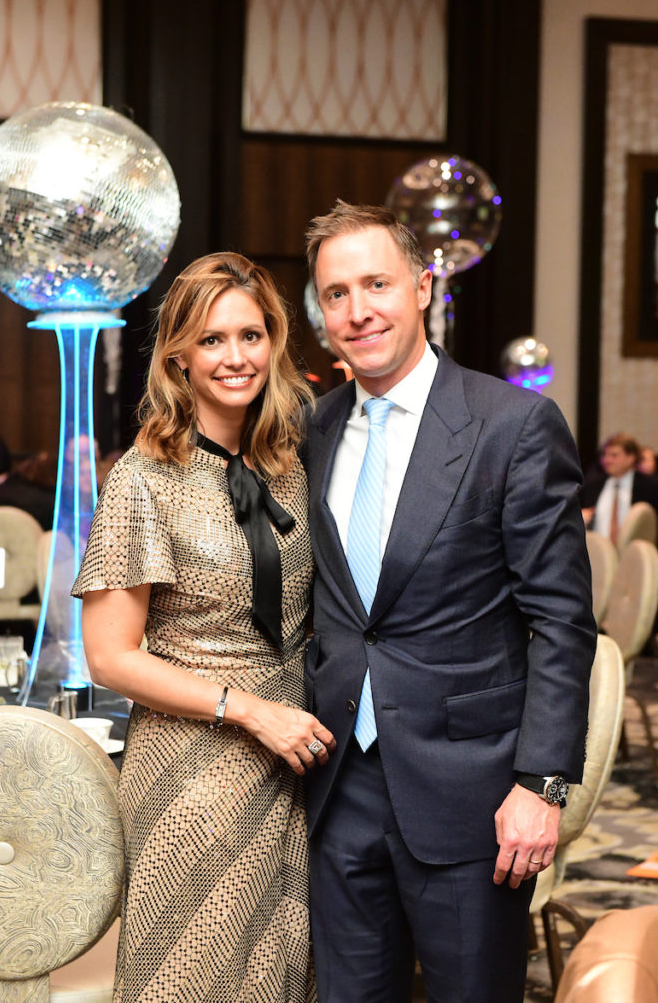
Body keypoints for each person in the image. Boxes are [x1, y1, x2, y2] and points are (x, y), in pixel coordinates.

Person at [302, 201, 596, 1003]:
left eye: (376, 284)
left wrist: (540, 785)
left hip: (473, 795)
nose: (357, 311)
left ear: (423, 286)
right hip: (338, 787)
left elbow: (560, 622)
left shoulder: (513, 426)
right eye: (335, 294)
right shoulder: (312, 429)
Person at [72, 252, 335, 1003]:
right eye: (212, 340)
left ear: (275, 342)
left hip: (292, 762)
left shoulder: (293, 463)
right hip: (194, 765)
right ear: (177, 355)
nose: (234, 357)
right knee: (189, 977)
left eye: (250, 335)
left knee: (281, 972)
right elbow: (109, 658)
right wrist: (250, 710)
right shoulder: (143, 477)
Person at [580, 432, 658, 542]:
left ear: (630, 457)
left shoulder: (651, 486)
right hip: (598, 554)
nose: (607, 460)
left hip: (634, 554)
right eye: (605, 455)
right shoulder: (592, 484)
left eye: (614, 455)